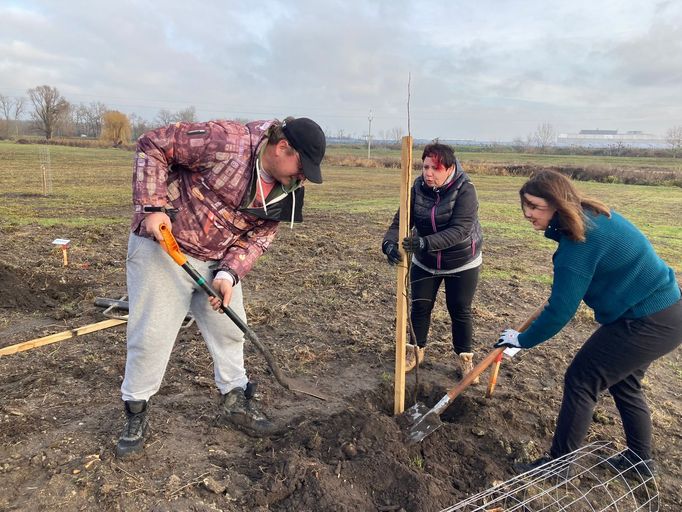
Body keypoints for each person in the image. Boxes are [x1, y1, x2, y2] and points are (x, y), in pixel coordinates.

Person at [116, 116, 326, 458]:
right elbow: (153, 144)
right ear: (282, 147)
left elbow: (259, 238)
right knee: (151, 336)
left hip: (216, 260)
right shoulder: (225, 141)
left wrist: (228, 274)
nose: (302, 178)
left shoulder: (289, 191)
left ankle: (235, 400)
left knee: (230, 330)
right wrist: (153, 207)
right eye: (301, 167)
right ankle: (135, 411)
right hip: (166, 247)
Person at [495, 170, 681, 476]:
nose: (527, 213)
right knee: (625, 383)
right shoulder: (591, 216)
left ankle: (558, 467)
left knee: (582, 379)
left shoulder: (577, 245)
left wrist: (521, 340)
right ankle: (640, 461)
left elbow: (559, 312)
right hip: (668, 312)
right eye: (524, 205)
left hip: (648, 320)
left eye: (535, 206)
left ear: (557, 204)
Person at [382, 142, 483, 381]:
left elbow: (460, 230)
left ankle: (464, 359)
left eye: (435, 168)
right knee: (420, 306)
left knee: (459, 308)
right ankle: (415, 352)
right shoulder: (417, 188)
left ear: (449, 168)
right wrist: (388, 244)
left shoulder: (465, 190)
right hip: (425, 261)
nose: (428, 173)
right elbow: (400, 222)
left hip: (462, 260)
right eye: (425, 166)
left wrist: (425, 242)